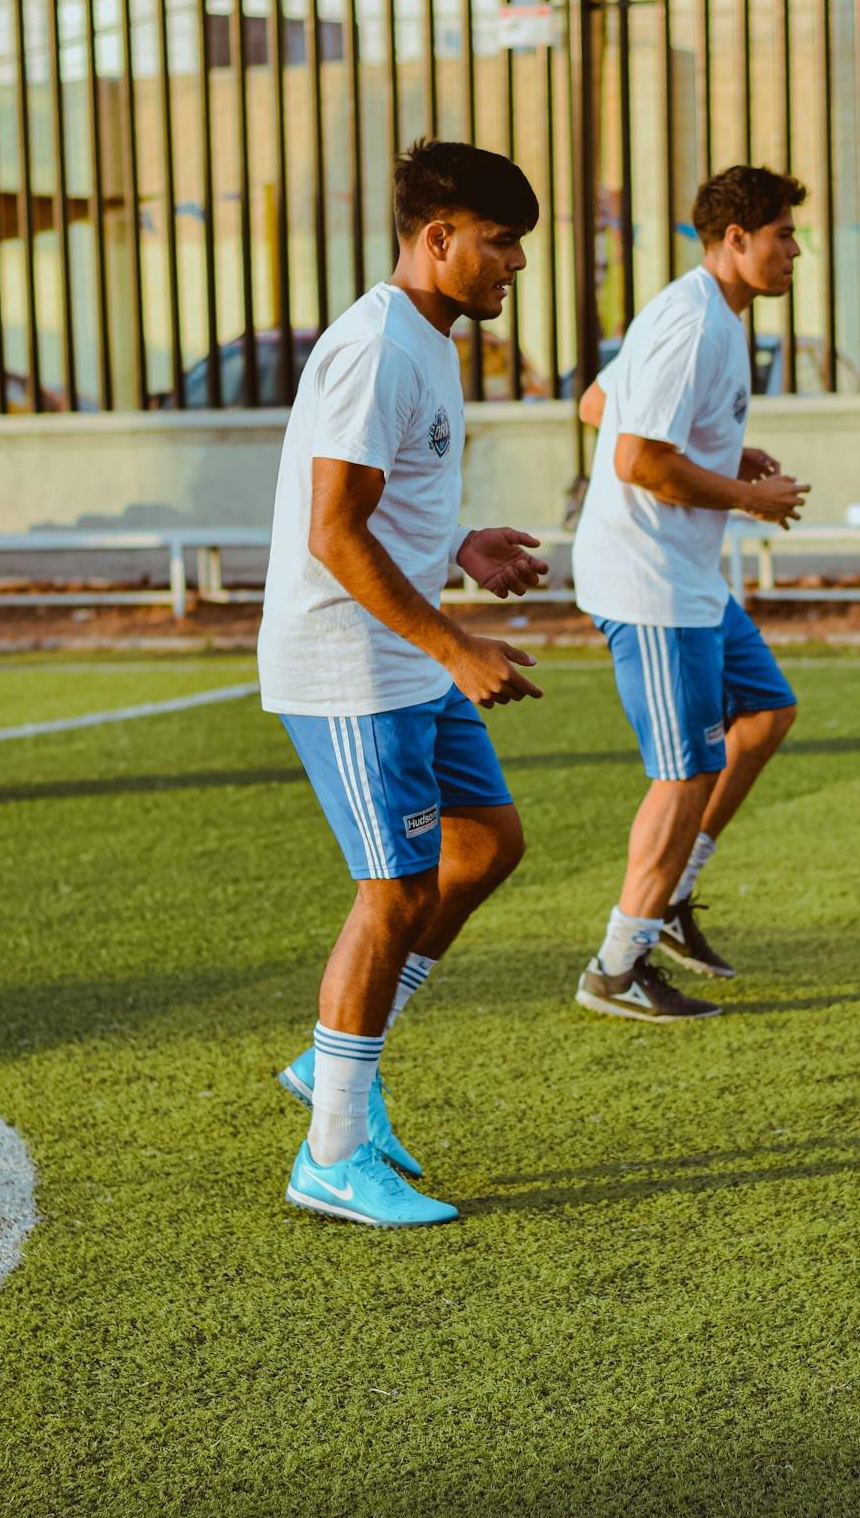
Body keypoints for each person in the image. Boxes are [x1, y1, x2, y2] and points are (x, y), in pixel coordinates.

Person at [259, 139, 548, 1228]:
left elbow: (383, 503)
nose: (515, 263)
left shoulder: (428, 341)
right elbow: (333, 532)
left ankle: (336, 1057)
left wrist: (461, 541)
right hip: (352, 662)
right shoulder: (378, 346)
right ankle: (332, 1148)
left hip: (402, 653)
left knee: (485, 843)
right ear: (438, 240)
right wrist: (455, 644)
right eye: (501, 242)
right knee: (395, 891)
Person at [569, 165, 812, 1021]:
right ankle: (615, 964)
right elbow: (635, 458)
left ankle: (669, 896)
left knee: (765, 712)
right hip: (647, 579)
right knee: (684, 773)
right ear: (735, 239)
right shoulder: (691, 323)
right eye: (783, 234)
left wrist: (717, 455)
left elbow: (602, 401)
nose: (794, 251)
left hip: (686, 575)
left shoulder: (711, 313)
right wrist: (746, 496)